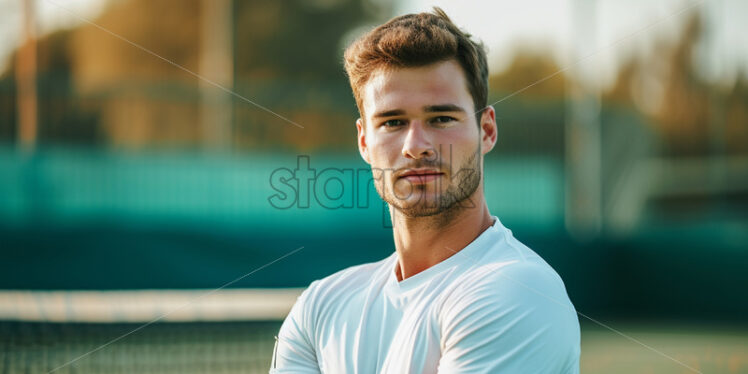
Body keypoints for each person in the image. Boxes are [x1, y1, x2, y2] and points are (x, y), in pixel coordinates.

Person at [271, 8, 580, 373]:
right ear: (364, 141)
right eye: (393, 122)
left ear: (487, 131)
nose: (416, 145)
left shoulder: (520, 290)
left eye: (441, 119)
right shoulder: (320, 309)